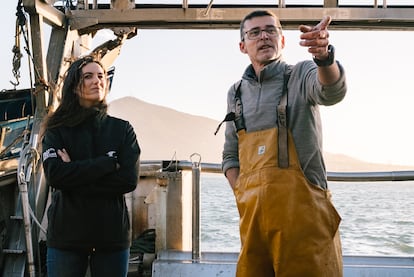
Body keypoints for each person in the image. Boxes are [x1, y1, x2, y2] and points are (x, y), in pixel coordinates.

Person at [220, 10, 346, 277]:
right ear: (243, 46)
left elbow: (332, 91)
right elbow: (231, 155)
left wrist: (324, 57)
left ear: (283, 40)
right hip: (253, 223)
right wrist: (242, 191)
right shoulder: (236, 92)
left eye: (271, 30)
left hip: (305, 220)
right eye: (254, 32)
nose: (264, 36)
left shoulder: (301, 74)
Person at [41, 55, 140, 277]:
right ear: (75, 87)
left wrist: (74, 172)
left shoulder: (122, 130)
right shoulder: (56, 130)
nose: (98, 81)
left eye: (101, 75)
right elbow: (55, 176)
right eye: (88, 76)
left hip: (111, 238)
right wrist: (105, 164)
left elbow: (127, 180)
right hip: (66, 238)